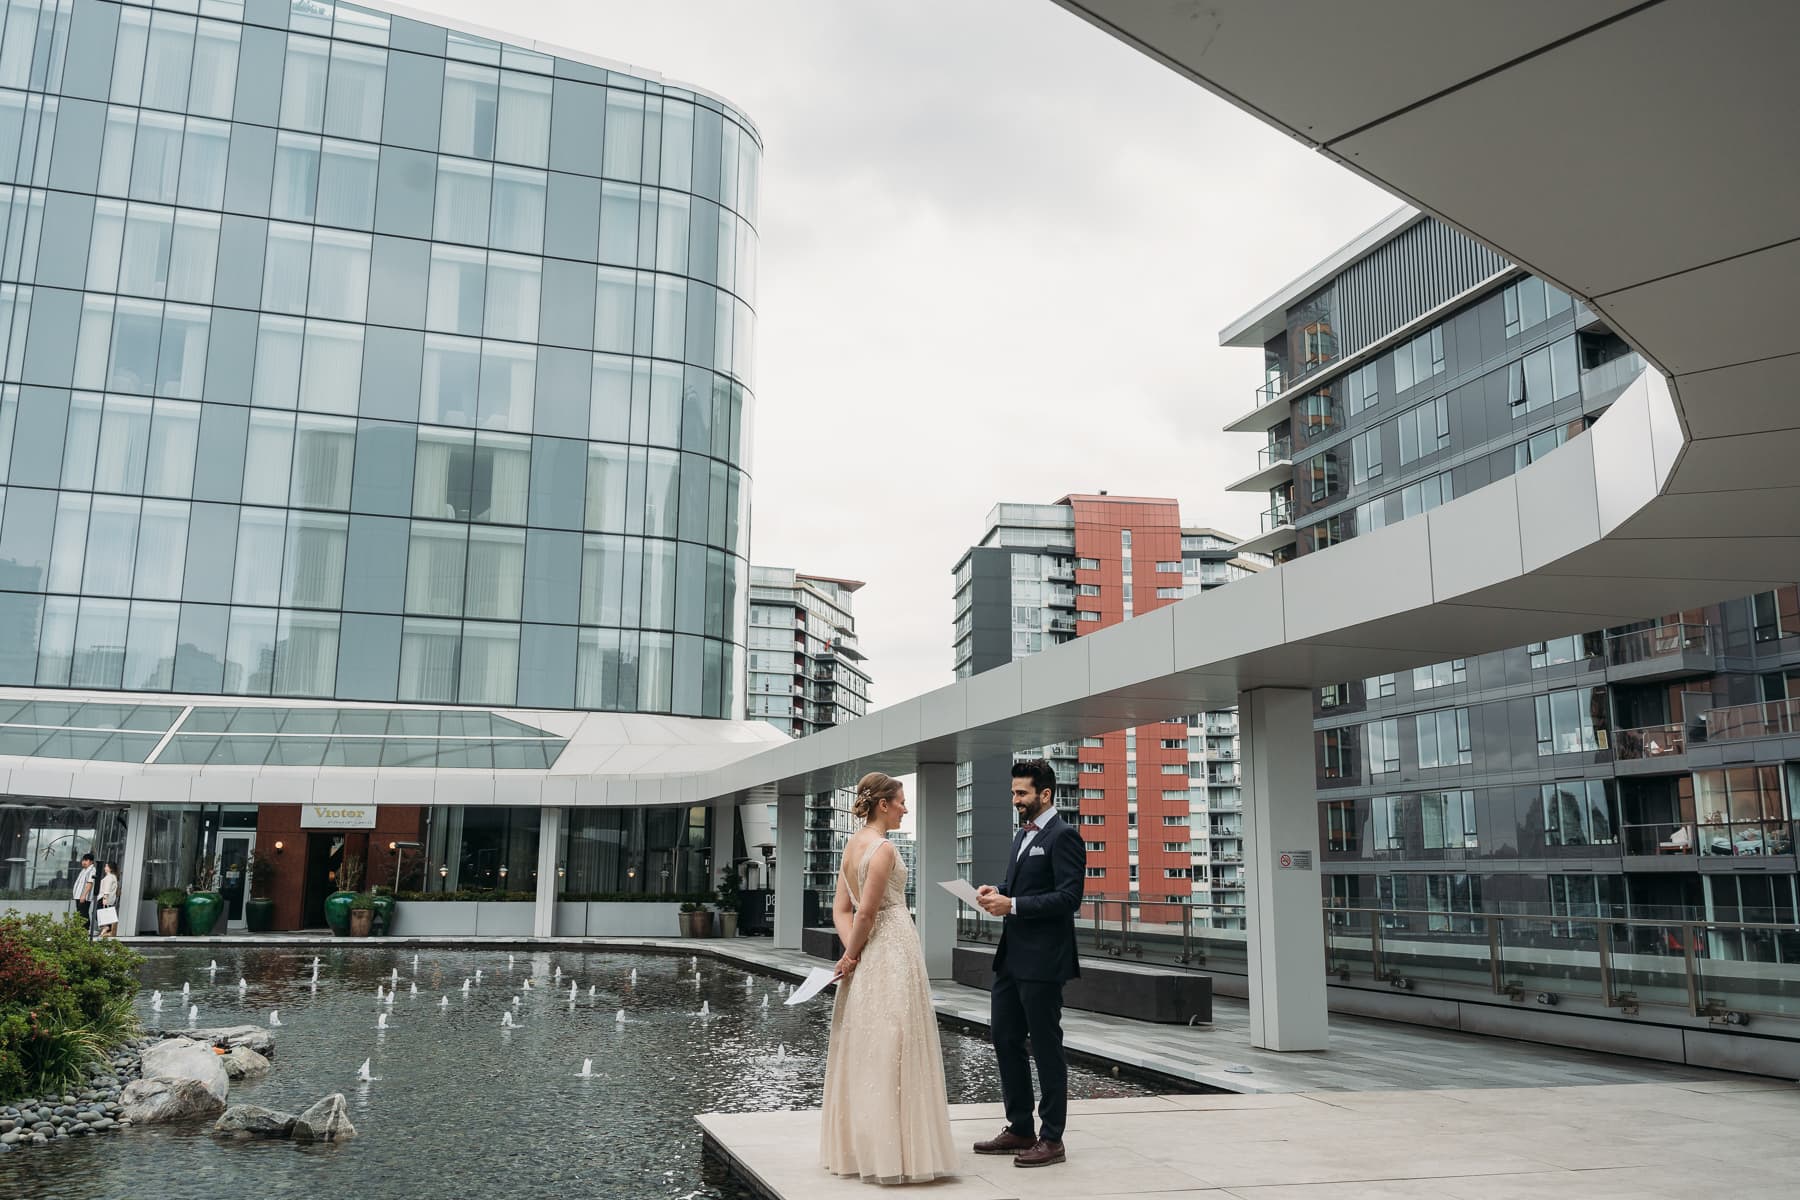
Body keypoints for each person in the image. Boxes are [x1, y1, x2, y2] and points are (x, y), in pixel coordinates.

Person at [818, 771, 958, 1185]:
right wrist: (851, 954)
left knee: (870, 1045)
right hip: (892, 951)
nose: (905, 808)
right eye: (900, 801)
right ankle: (897, 1153)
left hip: (869, 956)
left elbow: (841, 911)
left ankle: (867, 1148)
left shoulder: (851, 846)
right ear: (883, 804)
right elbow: (864, 913)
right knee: (897, 1044)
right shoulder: (880, 850)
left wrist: (851, 955)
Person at [973, 758, 1086, 1168]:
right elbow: (1021, 887)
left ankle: (1051, 1138)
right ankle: (1020, 1127)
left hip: (1043, 962)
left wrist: (1013, 904)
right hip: (1011, 960)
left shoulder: (1064, 836)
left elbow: (1069, 898)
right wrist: (997, 891)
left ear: (1045, 795)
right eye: (1013, 793)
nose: (1015, 800)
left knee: (1045, 1047)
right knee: (1005, 1039)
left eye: (1021, 793)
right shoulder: (1022, 835)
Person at [95, 862, 121, 939]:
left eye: (106, 866)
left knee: (99, 914)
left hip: (103, 898)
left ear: (111, 868)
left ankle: (106, 928)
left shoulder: (109, 877)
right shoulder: (114, 877)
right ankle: (106, 931)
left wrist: (105, 898)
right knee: (105, 915)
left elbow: (107, 888)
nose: (105, 868)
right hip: (109, 900)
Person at [72, 853, 96, 929]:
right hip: (78, 895)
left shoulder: (92, 870)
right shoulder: (84, 870)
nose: (84, 862)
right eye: (83, 860)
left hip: (83, 896)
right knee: (80, 913)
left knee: (83, 913)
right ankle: (81, 929)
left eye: (86, 860)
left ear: (91, 862)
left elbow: (90, 883)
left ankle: (85, 929)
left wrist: (84, 895)